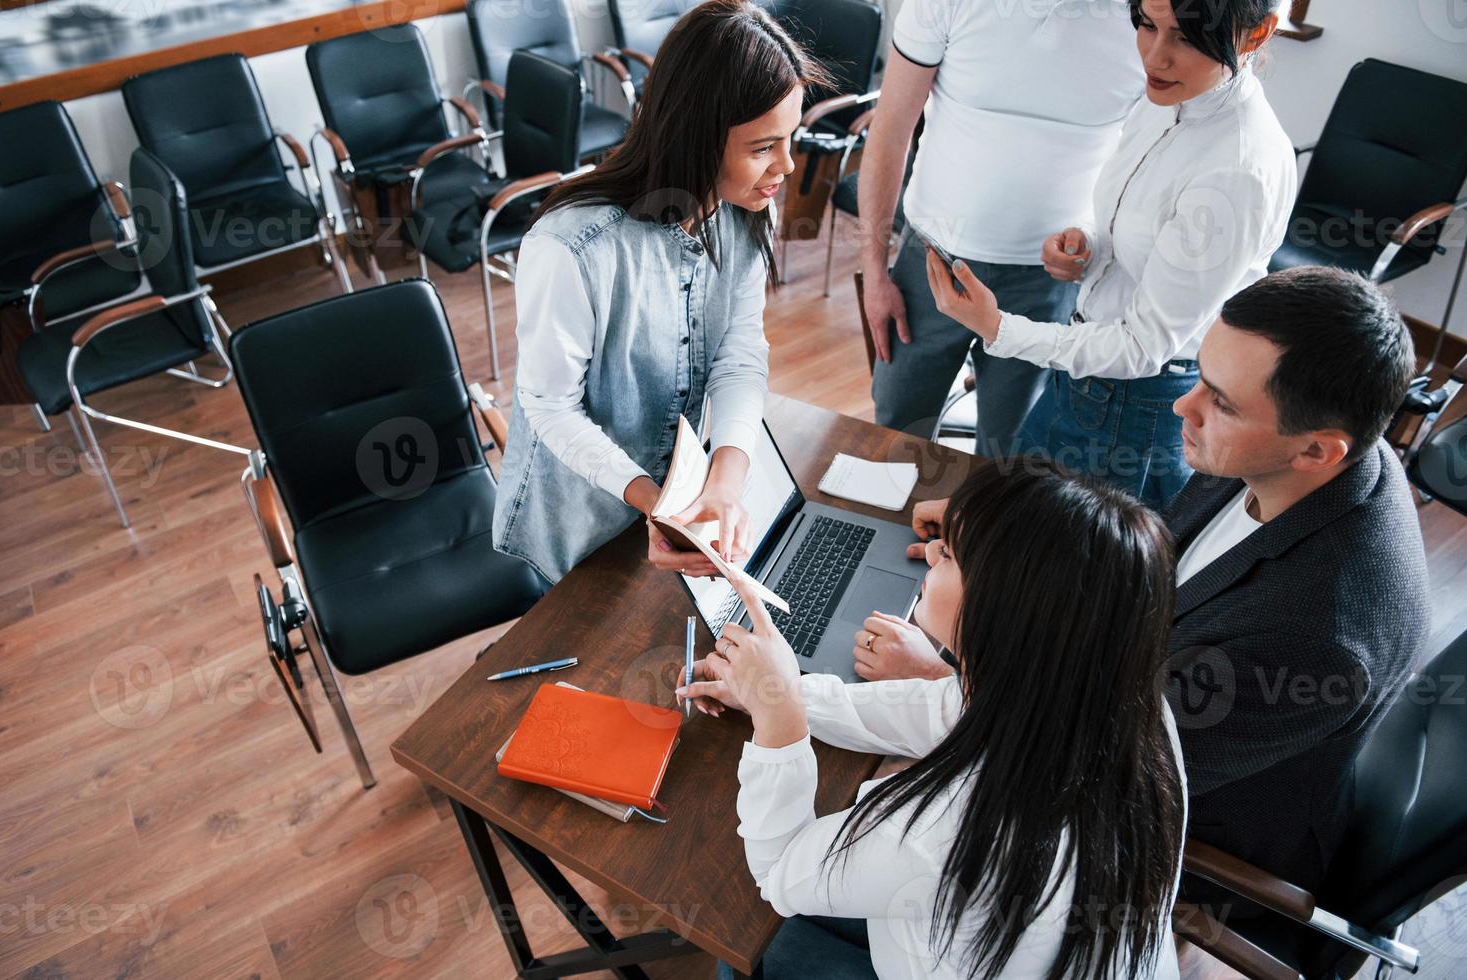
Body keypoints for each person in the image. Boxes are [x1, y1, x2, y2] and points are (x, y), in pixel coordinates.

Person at [861, 266, 1429, 897]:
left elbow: (1106, 766)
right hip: (1125, 698)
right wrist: (1005, 532)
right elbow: (1152, 571)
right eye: (1203, 380)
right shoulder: (1285, 454)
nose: (1185, 405)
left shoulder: (1319, 636)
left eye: (1221, 402)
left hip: (1158, 826)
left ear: (1319, 451)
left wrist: (947, 683)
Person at [678, 462, 1188, 979]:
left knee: (743, 947)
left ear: (1003, 609)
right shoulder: (1122, 708)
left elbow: (779, 871)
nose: (932, 551)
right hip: (1048, 949)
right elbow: (929, 710)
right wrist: (774, 689)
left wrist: (779, 720)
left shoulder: (951, 827)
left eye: (952, 555)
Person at [492, 0, 830, 583]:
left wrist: (723, 482)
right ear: (697, 135)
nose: (787, 166)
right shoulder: (570, 247)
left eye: (790, 138)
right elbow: (549, 407)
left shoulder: (748, 211)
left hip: (678, 490)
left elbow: (738, 352)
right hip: (580, 516)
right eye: (761, 147)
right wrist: (661, 505)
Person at [927, 0, 1296, 509]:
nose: (1153, 57)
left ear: (1256, 35)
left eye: (1186, 38)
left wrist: (998, 329)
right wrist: (1086, 244)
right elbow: (1129, 219)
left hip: (1134, 408)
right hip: (1080, 377)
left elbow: (1143, 347)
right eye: (1146, 25)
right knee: (1011, 544)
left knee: (1066, 581)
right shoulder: (1164, 98)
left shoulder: (1237, 169)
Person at [858, 0, 1145, 451]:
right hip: (932, 262)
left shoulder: (1146, 22)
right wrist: (874, 273)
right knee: (898, 431)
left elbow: (1140, 167)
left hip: (1047, 284)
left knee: (1007, 452)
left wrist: (1090, 236)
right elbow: (890, 131)